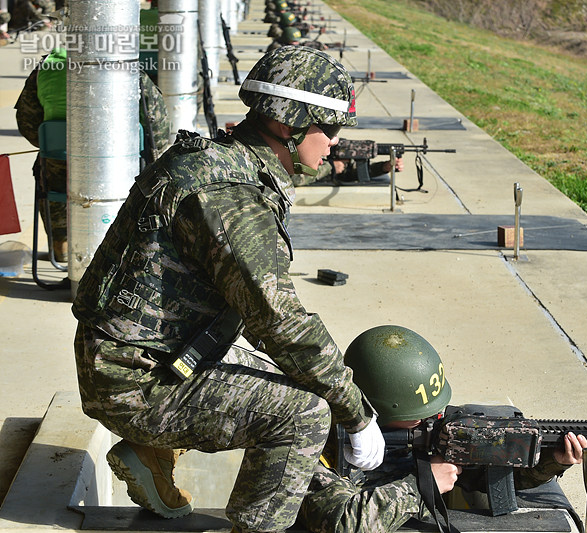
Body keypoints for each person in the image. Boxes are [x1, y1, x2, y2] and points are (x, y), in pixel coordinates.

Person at [71, 46, 385, 533]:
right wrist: (356, 415)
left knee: (298, 376)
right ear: (289, 124)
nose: (335, 143)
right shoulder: (232, 199)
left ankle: (153, 449)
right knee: (304, 413)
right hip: (135, 381)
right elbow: (281, 323)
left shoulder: (221, 161)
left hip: (132, 357)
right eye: (331, 128)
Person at [298, 325, 587, 533]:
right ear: (376, 410)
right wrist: (423, 484)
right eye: (418, 416)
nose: (436, 417)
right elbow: (339, 523)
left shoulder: (433, 430)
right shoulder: (317, 439)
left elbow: (491, 479)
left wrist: (552, 460)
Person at [14, 47, 170, 262]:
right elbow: (157, 130)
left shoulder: (47, 67)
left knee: (48, 167)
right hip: (119, 171)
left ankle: (62, 244)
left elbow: (29, 124)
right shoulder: (128, 66)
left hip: (61, 165)